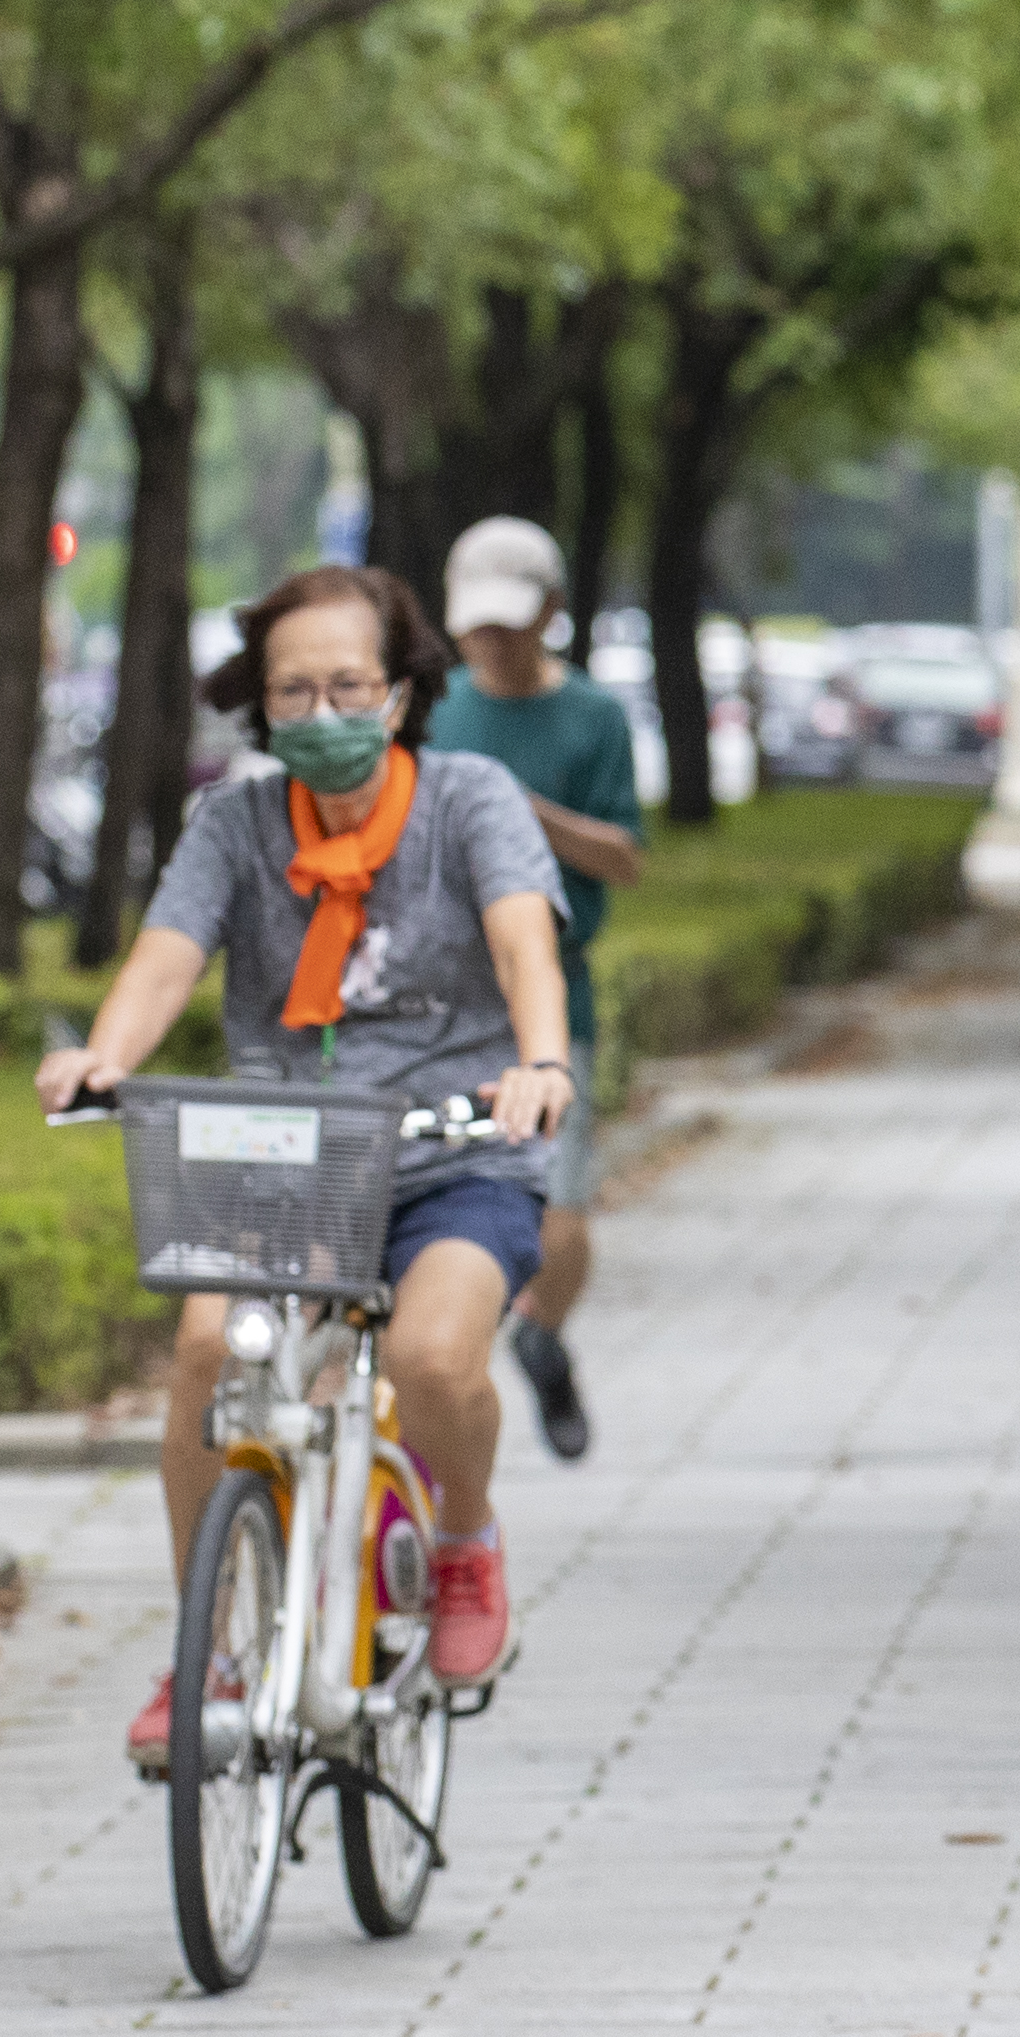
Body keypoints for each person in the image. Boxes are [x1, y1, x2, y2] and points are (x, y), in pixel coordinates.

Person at [40, 566, 575, 1753]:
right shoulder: (233, 822)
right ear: (261, 705)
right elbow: (167, 955)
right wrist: (105, 1057)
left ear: (397, 696)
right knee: (202, 1349)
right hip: (284, 1167)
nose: (323, 710)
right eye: (296, 689)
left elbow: (521, 940)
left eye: (349, 684)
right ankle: (211, 1655)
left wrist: (540, 1062)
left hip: (457, 1155)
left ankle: (464, 1542)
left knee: (436, 1360)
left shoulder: (469, 799)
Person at [423, 518, 647, 1464]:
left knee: (559, 1208)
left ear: (552, 612)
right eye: (478, 625)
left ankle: (541, 1334)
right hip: (438, 1006)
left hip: (551, 996)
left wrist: (523, 814)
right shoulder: (432, 711)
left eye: (512, 623)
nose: (494, 641)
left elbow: (625, 857)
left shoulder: (592, 718)